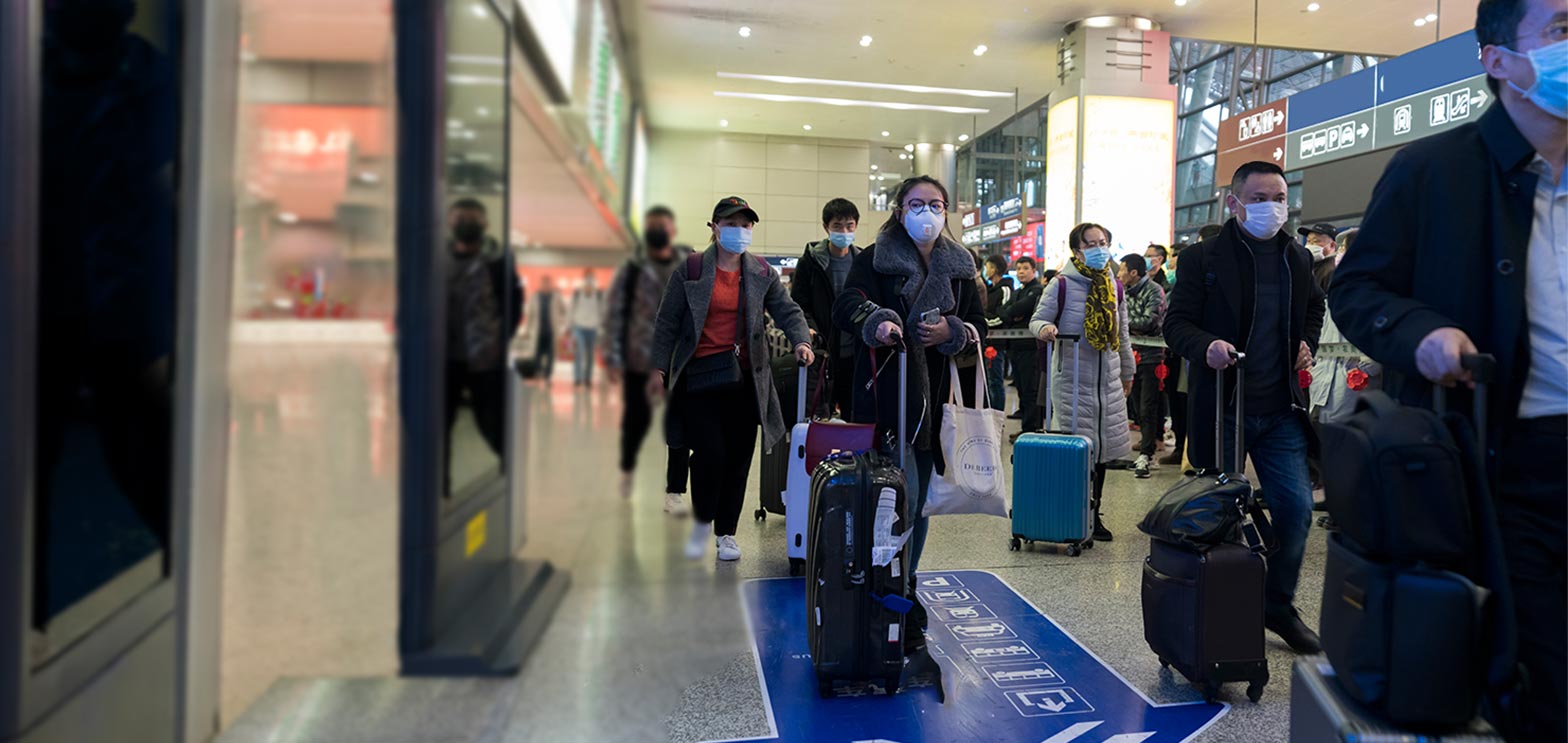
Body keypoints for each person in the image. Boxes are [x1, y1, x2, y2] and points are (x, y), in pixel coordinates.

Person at [1330, 2, 1566, 736]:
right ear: (1498, 60)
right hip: (1506, 461)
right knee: (1544, 674)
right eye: (1561, 29)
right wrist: (1422, 333)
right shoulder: (1434, 171)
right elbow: (1358, 288)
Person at [1164, 161, 1326, 655]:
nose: (1271, 208)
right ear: (1234, 203)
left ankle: (1277, 606)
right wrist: (1206, 345)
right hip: (1223, 408)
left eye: (1279, 198)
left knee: (1296, 510)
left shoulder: (1296, 257)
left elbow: (1315, 306)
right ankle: (1218, 614)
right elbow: (1177, 324)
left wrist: (1306, 341)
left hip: (1280, 408)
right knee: (1218, 516)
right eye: (1259, 199)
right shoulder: (1204, 259)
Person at [831, 175, 984, 606]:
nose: (926, 213)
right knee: (899, 495)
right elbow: (846, 305)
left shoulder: (960, 266)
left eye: (936, 205)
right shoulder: (875, 259)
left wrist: (953, 331)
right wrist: (878, 322)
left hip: (936, 401)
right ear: (900, 212)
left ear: (946, 211)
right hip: (889, 396)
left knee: (919, 504)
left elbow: (979, 323)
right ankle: (883, 581)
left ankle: (906, 584)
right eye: (916, 204)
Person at [648, 197, 813, 561]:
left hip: (745, 380)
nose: (740, 231)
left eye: (746, 225)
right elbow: (667, 321)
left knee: (738, 458)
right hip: (699, 379)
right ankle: (702, 521)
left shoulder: (761, 272)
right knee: (710, 454)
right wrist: (657, 367)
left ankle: (726, 533)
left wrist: (801, 340)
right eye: (731, 224)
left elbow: (787, 311)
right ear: (715, 227)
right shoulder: (691, 269)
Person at [1031, 224, 1135, 541]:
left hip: (1108, 381)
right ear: (1077, 250)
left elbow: (1123, 334)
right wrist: (1045, 329)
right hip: (1072, 380)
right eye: (1091, 244)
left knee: (1101, 452)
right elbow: (1037, 319)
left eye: (1103, 242)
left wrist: (1127, 371)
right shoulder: (1061, 284)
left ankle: (1093, 513)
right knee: (1077, 450)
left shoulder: (1114, 286)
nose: (1099, 249)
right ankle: (1072, 512)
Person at [605, 205, 692, 509]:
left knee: (678, 425)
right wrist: (612, 355)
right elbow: (615, 312)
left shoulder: (687, 263)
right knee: (636, 420)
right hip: (639, 357)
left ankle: (675, 489)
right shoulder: (632, 268)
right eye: (653, 226)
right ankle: (627, 470)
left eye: (663, 226)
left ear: (673, 230)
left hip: (678, 359)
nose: (658, 231)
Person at [444, 199, 521, 459]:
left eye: (473, 219)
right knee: (438, 432)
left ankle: (508, 472)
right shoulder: (436, 261)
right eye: (459, 219)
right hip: (444, 360)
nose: (466, 224)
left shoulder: (498, 263)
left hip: (486, 361)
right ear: (449, 223)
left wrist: (498, 341)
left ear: (485, 224)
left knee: (492, 425)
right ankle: (441, 483)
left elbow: (513, 305)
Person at [790, 197, 862, 417]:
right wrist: (809, 328)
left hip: (855, 352)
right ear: (826, 227)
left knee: (855, 413)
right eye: (837, 226)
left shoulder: (863, 262)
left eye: (849, 226)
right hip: (822, 351)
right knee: (820, 413)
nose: (844, 231)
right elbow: (799, 303)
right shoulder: (811, 262)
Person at [1120, 253, 1167, 479]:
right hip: (1131, 355)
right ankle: (1146, 446)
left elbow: (1151, 322)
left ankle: (1148, 454)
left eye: (1122, 270)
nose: (1119, 274)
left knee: (1149, 406)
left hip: (1152, 357)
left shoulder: (1154, 291)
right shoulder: (1124, 292)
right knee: (1136, 406)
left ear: (1134, 273)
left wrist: (1126, 325)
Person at [999, 256, 1045, 431]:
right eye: (1018, 269)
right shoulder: (1018, 291)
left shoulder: (1037, 291)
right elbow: (1003, 311)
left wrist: (1013, 314)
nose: (1021, 272)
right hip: (1015, 347)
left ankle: (1031, 430)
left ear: (1034, 271)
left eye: (1025, 268)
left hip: (1030, 348)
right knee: (1021, 389)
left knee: (1030, 391)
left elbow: (1017, 309)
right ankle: (1024, 429)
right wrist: (1013, 316)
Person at [982, 254, 1016, 412]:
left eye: (987, 267)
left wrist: (983, 321)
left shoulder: (1004, 289)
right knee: (988, 382)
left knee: (995, 382)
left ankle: (997, 417)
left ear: (994, 269)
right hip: (987, 341)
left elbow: (1003, 316)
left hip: (997, 343)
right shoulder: (989, 289)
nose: (986, 270)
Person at [523, 275, 567, 381]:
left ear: (550, 284)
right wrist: (527, 329)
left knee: (551, 355)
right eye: (544, 283)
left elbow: (564, 310)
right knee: (537, 353)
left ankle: (547, 374)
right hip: (538, 330)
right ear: (541, 284)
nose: (546, 285)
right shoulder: (535, 297)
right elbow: (530, 314)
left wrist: (561, 322)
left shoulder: (556, 297)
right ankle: (538, 372)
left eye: (548, 283)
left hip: (551, 331)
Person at [567, 269, 604, 387]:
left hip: (593, 328)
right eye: (587, 278)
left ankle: (587, 378)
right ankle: (577, 378)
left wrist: (601, 329)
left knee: (590, 355)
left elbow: (602, 312)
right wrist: (568, 327)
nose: (589, 281)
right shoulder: (577, 294)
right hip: (579, 327)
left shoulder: (598, 295)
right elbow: (571, 310)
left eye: (591, 278)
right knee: (578, 352)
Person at [1297, 222, 1341, 292]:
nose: (1310, 245)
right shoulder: (1309, 266)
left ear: (1332, 245)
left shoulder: (1331, 270)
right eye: (1308, 241)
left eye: (1315, 241)